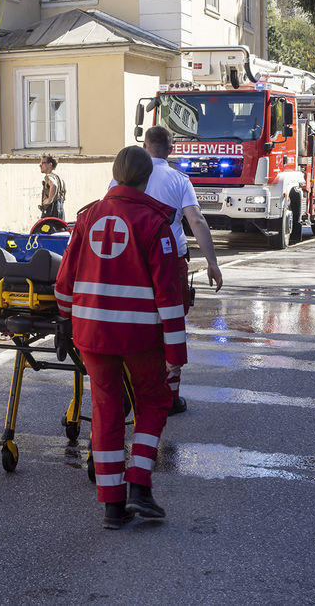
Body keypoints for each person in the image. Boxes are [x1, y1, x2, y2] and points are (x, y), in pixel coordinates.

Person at [55, 145, 188, 529]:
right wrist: (175, 353)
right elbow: (169, 296)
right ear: (147, 180)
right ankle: (140, 486)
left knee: (106, 411)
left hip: (92, 334)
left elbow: (64, 283)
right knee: (154, 402)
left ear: (115, 176)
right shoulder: (155, 222)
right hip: (139, 336)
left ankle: (113, 507)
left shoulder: (88, 217)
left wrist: (66, 320)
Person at [109, 125, 223, 415]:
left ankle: (129, 389)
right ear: (171, 149)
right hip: (170, 262)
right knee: (170, 325)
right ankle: (170, 396)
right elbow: (196, 220)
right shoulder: (179, 180)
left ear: (144, 147)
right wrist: (212, 263)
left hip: (130, 262)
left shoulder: (119, 179)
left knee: (132, 324)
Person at [39, 154, 66, 220]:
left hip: (51, 210)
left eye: (43, 163)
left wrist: (49, 200)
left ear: (50, 165)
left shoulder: (48, 176)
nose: (40, 165)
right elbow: (64, 191)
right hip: (60, 209)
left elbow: (54, 185)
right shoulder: (59, 178)